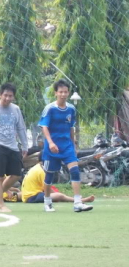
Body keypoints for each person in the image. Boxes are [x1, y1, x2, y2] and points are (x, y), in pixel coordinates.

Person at [39, 80, 94, 213]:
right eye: (60, 92)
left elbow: (71, 127)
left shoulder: (71, 109)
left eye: (65, 92)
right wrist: (51, 143)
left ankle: (77, 203)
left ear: (68, 93)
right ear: (55, 93)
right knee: (50, 175)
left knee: (74, 171)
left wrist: (74, 143)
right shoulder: (50, 108)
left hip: (67, 147)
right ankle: (47, 202)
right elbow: (44, 126)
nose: (63, 94)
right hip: (52, 148)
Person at [0, 83, 29, 213]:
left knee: (16, 174)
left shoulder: (16, 109)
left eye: (10, 96)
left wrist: (25, 145)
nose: (8, 98)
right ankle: (1, 205)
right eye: (5, 95)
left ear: (14, 97)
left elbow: (21, 128)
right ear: (0, 95)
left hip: (13, 146)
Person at [21, 162, 95, 205]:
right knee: (59, 195)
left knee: (58, 195)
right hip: (32, 197)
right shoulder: (41, 171)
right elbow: (48, 189)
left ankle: (75, 199)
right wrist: (58, 195)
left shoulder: (36, 167)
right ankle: (80, 200)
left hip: (29, 195)